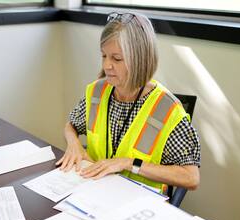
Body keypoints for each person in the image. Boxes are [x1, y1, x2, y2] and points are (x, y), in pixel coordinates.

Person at [56, 12, 200, 192]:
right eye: (104, 56)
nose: (106, 65)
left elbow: (191, 177)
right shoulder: (96, 92)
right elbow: (71, 125)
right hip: (94, 192)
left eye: (116, 59)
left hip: (139, 205)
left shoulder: (167, 109)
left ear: (139, 59)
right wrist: (74, 144)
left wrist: (128, 163)